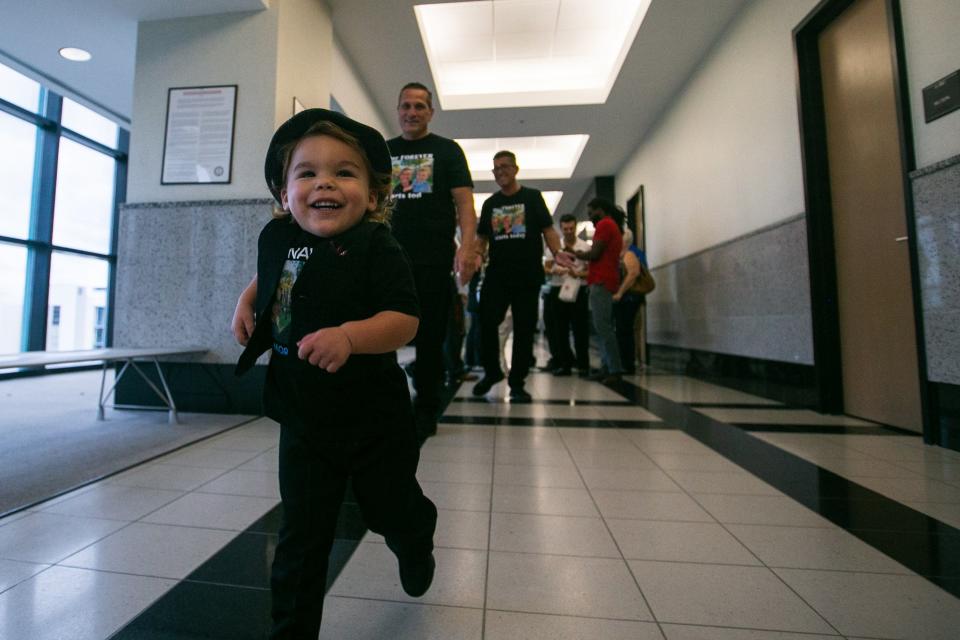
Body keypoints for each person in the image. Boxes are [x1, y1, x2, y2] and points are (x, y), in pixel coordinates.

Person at [232, 109, 438, 639]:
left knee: (389, 506)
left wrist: (349, 336)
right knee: (301, 538)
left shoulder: (377, 246)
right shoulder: (278, 238)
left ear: (373, 197)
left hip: (374, 420)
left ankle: (415, 537)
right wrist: (248, 298)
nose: (324, 181)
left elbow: (404, 320)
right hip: (302, 416)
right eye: (307, 173)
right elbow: (271, 273)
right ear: (284, 194)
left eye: (344, 172)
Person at [388, 82, 478, 437]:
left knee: (428, 336)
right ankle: (387, 403)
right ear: (398, 110)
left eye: (419, 107)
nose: (412, 112)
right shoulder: (383, 150)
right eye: (406, 105)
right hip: (388, 258)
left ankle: (426, 406)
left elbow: (465, 203)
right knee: (380, 331)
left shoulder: (447, 151)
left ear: (430, 112)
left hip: (433, 258)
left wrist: (467, 247)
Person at [471, 151, 563, 401]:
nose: (500, 171)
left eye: (504, 167)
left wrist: (558, 252)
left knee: (524, 329)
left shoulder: (532, 198)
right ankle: (492, 372)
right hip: (497, 274)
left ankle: (518, 382)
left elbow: (548, 229)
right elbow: (482, 237)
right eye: (496, 168)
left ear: (515, 169)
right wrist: (477, 254)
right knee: (486, 322)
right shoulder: (491, 203)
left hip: (528, 275)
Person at [563, 197, 623, 384]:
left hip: (602, 280)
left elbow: (595, 254)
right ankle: (607, 367)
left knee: (603, 328)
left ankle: (614, 369)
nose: (591, 217)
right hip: (604, 280)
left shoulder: (605, 225)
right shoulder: (611, 225)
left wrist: (575, 253)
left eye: (591, 213)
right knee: (601, 326)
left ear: (601, 210)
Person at [547, 214, 591, 376]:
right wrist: (555, 270)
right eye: (565, 229)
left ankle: (583, 365)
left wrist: (578, 274)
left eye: (571, 228)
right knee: (560, 329)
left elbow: (590, 271)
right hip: (558, 288)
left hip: (579, 289)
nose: (568, 232)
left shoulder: (585, 247)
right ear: (561, 228)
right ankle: (564, 364)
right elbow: (547, 267)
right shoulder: (554, 247)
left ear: (576, 227)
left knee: (581, 328)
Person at [613, 228, 649, 374]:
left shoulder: (629, 253)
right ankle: (627, 361)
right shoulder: (631, 253)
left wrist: (620, 292)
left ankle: (627, 363)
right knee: (625, 329)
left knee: (624, 330)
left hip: (629, 297)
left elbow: (633, 273)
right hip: (630, 297)